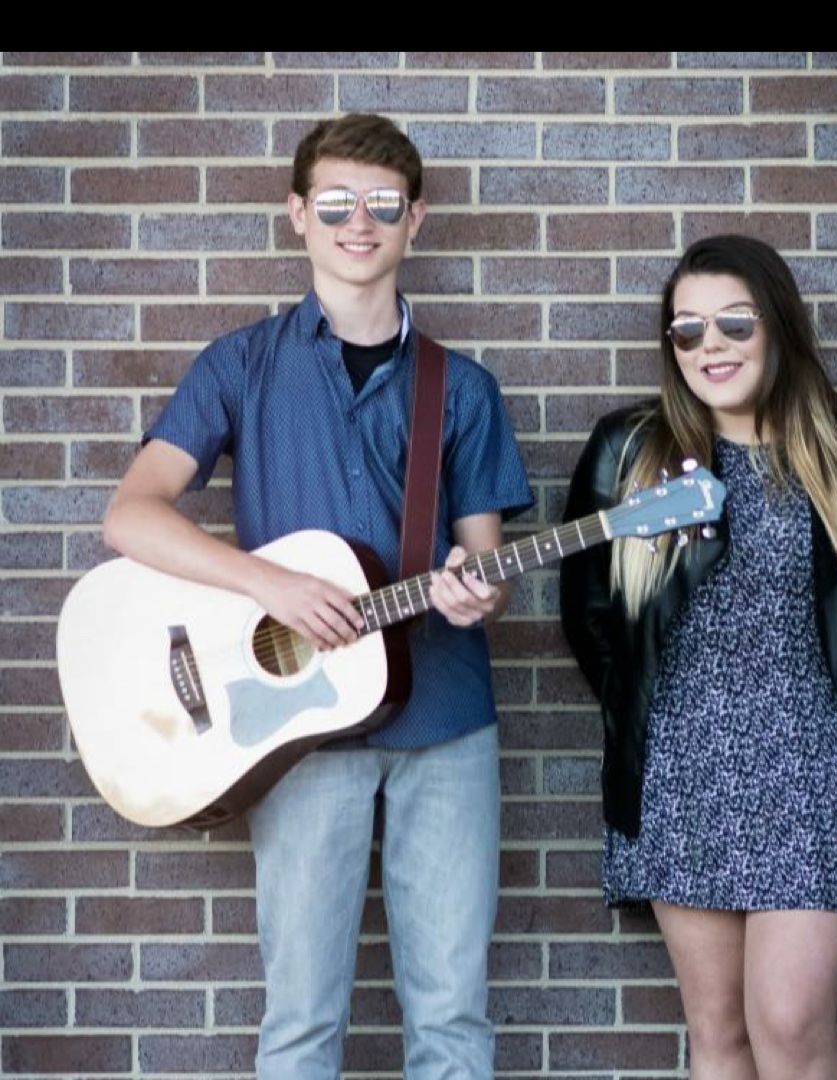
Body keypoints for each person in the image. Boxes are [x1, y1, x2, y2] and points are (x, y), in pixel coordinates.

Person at [102, 113, 533, 1079]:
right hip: (294, 727)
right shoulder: (240, 363)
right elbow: (131, 515)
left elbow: (486, 565)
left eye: (382, 203)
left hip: (446, 723)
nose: (358, 222)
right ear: (298, 214)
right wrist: (271, 584)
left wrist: (479, 594)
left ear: (415, 219)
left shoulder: (462, 389)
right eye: (335, 203)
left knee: (453, 1020)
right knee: (300, 1021)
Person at [559, 234, 837, 1080]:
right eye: (688, 330)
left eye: (734, 324)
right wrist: (660, 713)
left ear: (779, 325)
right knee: (719, 1032)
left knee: (788, 1024)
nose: (711, 346)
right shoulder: (629, 453)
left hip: (821, 771)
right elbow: (591, 615)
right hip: (683, 771)